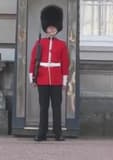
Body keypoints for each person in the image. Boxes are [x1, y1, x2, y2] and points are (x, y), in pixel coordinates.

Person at [29, 5, 69, 141]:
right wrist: (32, 79)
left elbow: (65, 64)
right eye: (49, 26)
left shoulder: (62, 45)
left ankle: (58, 133)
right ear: (45, 27)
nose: (51, 29)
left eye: (54, 27)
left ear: (57, 28)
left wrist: (64, 82)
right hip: (42, 79)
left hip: (57, 79)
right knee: (43, 107)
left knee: (57, 107)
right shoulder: (39, 43)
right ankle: (42, 132)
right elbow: (33, 61)